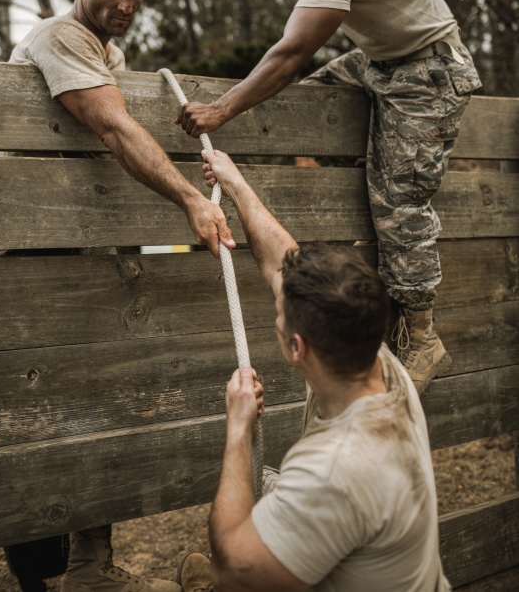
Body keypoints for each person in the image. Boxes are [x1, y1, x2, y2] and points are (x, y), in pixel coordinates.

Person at [176, 0, 483, 395]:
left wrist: (221, 111)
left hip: (428, 71)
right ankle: (355, 169)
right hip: (383, 61)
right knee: (313, 97)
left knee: (400, 202)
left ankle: (423, 335)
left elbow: (292, 52)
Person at [5, 0, 235, 592]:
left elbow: (125, 122)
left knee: (94, 392)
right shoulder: (58, 37)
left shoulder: (109, 50)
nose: (126, 4)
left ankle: (88, 564)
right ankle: (42, 576)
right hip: (29, 250)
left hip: (78, 244)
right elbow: (113, 125)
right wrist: (192, 196)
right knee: (36, 402)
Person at [182, 147, 450, 592]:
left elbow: (231, 568)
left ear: (296, 347)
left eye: (279, 314)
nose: (277, 308)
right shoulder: (379, 362)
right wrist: (235, 183)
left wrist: (238, 430)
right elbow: (283, 261)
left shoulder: (333, 469)